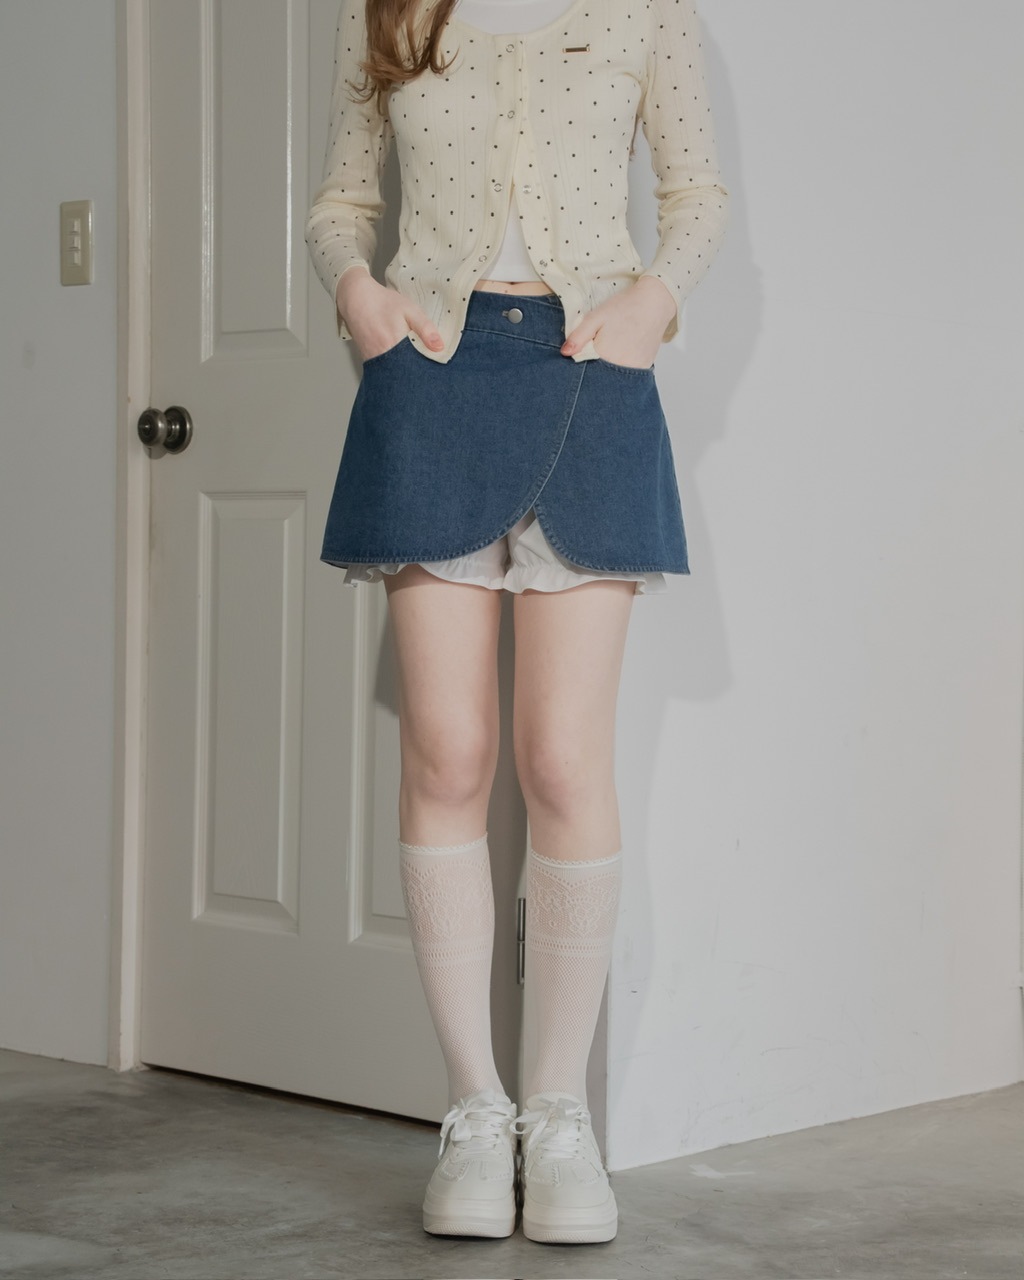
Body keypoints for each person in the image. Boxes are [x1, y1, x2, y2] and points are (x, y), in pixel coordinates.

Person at [306, 0, 728, 1245]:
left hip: (591, 367)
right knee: (448, 754)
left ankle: (558, 1111)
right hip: (428, 374)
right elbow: (341, 203)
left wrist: (653, 299)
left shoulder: (647, 10)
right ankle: (475, 1110)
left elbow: (697, 193)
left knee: (560, 758)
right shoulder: (383, 9)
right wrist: (358, 293)